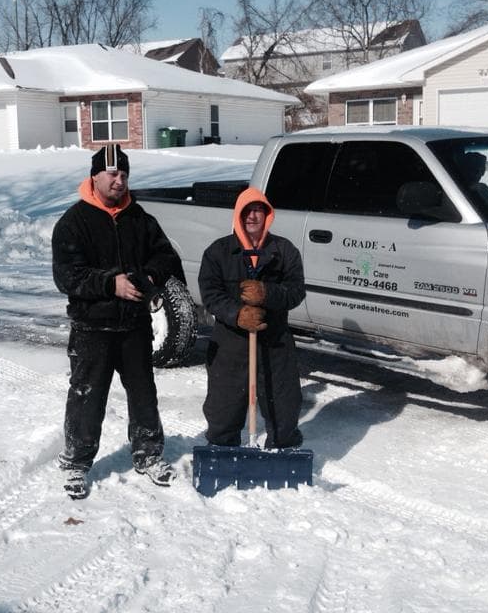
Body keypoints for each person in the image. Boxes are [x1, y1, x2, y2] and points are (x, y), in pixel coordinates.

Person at [52, 143, 184, 500]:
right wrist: (111, 284)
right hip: (92, 328)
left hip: (134, 327)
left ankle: (148, 452)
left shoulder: (140, 219)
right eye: (112, 174)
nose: (119, 181)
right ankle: (77, 461)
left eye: (124, 174)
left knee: (143, 395)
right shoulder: (74, 222)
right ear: (94, 176)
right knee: (87, 396)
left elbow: (166, 257)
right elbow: (68, 276)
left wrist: (147, 280)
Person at [198, 186, 306, 449]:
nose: (252, 217)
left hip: (274, 341)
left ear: (267, 215)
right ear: (238, 215)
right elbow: (210, 293)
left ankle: (283, 451)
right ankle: (222, 451)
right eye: (247, 211)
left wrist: (267, 293)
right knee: (224, 404)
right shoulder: (219, 252)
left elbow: (296, 291)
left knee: (283, 402)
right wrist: (237, 314)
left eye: (258, 210)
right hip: (230, 341)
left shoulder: (284, 251)